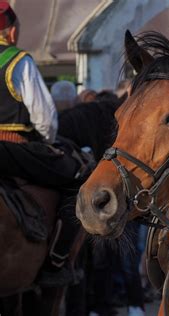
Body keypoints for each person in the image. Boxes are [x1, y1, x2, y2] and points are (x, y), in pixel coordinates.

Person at [0, 2, 86, 286]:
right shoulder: (17, 60)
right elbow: (46, 120)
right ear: (11, 32)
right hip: (14, 148)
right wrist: (46, 144)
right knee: (80, 178)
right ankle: (56, 263)